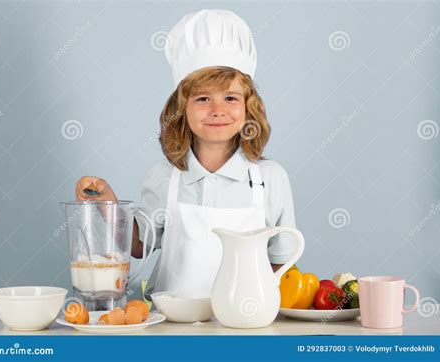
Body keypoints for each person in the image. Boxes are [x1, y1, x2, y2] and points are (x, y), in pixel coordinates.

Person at [76, 9, 297, 300]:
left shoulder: (270, 179)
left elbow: (282, 260)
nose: (217, 109)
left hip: (244, 323)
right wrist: (108, 203)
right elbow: (139, 245)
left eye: (230, 98)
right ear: (181, 110)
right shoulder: (164, 176)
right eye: (203, 98)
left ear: (248, 108)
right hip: (170, 325)